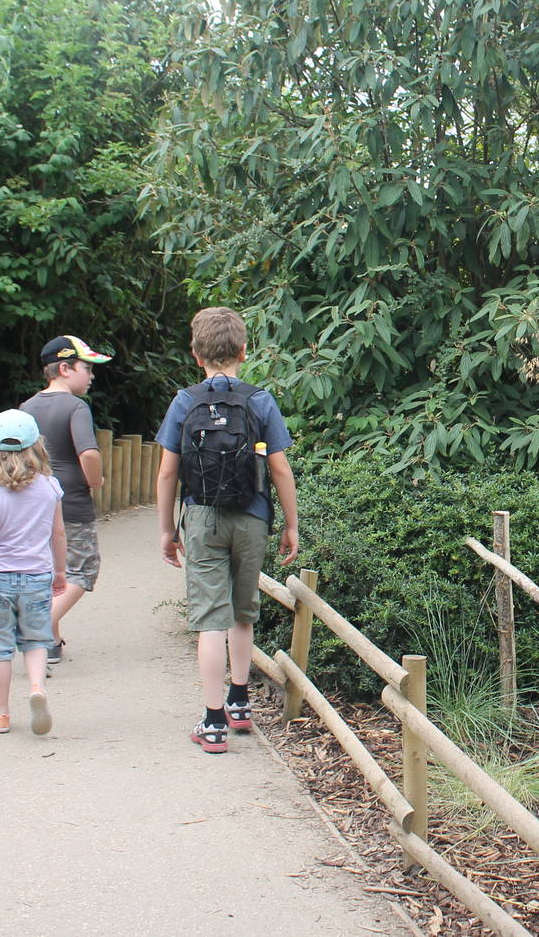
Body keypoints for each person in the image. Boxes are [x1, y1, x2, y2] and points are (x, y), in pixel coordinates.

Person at [155, 307, 298, 754]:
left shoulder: (185, 401)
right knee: (242, 611)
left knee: (209, 621)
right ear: (243, 351)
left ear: (197, 356)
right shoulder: (260, 400)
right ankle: (240, 703)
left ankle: (213, 721)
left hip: (201, 517)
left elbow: (166, 473)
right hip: (252, 517)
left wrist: (166, 530)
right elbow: (279, 467)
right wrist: (292, 524)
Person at [0, 409, 66, 735]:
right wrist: (60, 572)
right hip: (37, 577)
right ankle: (37, 688)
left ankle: (0, 713)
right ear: (36, 446)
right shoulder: (50, 487)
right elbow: (58, 534)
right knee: (36, 641)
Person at [20, 334, 112, 663]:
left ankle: (50, 643)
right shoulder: (76, 407)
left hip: (34, 502)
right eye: (86, 368)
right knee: (84, 568)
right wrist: (95, 479)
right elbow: (87, 452)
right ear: (64, 368)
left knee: (49, 569)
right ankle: (41, 626)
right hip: (71, 501)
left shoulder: (26, 408)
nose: (91, 376)